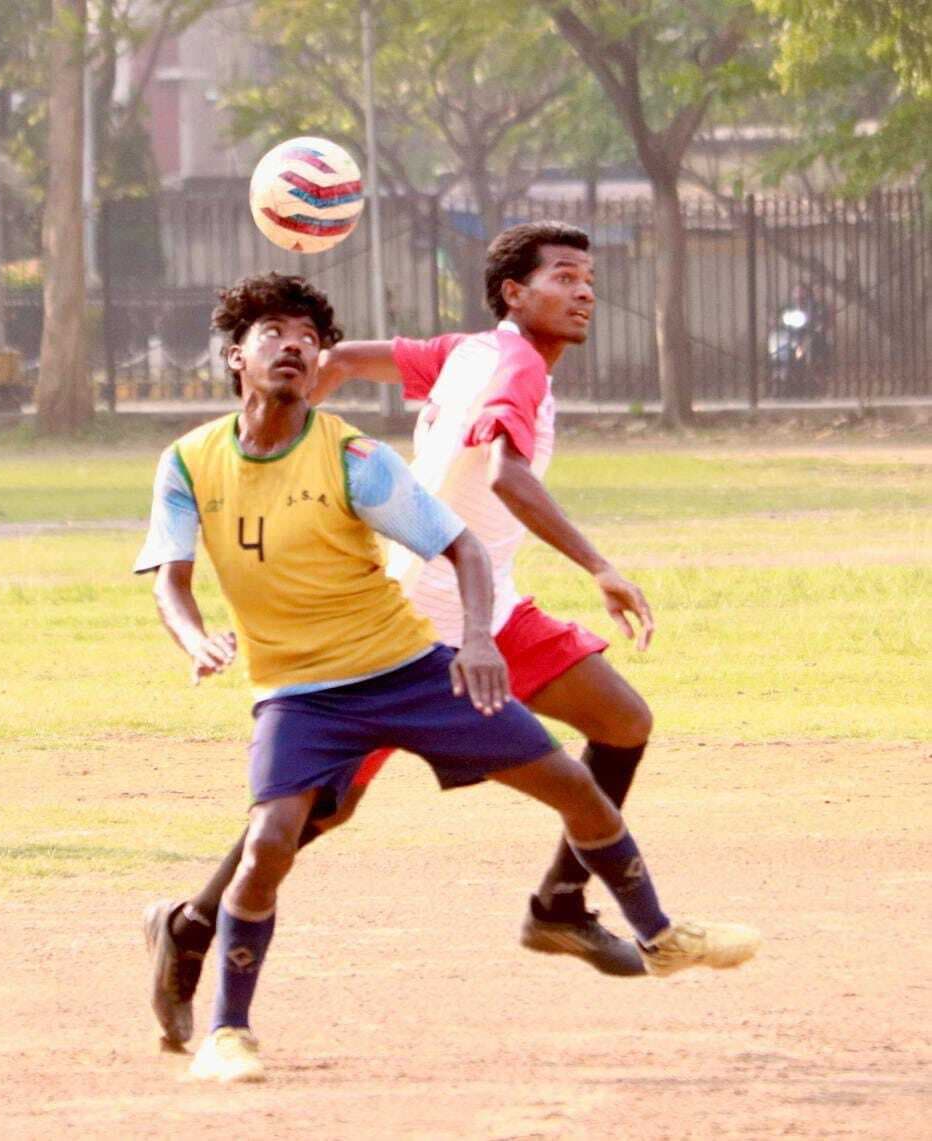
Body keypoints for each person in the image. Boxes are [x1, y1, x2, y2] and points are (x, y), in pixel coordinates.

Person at [136, 271, 759, 1082]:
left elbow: (461, 542)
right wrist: (194, 639)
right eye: (273, 334)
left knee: (579, 777)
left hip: (412, 662)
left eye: (307, 337)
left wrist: (476, 641)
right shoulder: (190, 462)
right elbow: (172, 579)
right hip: (303, 689)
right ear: (234, 356)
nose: (294, 346)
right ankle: (223, 1017)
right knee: (277, 838)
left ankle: (651, 932)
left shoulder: (355, 453)